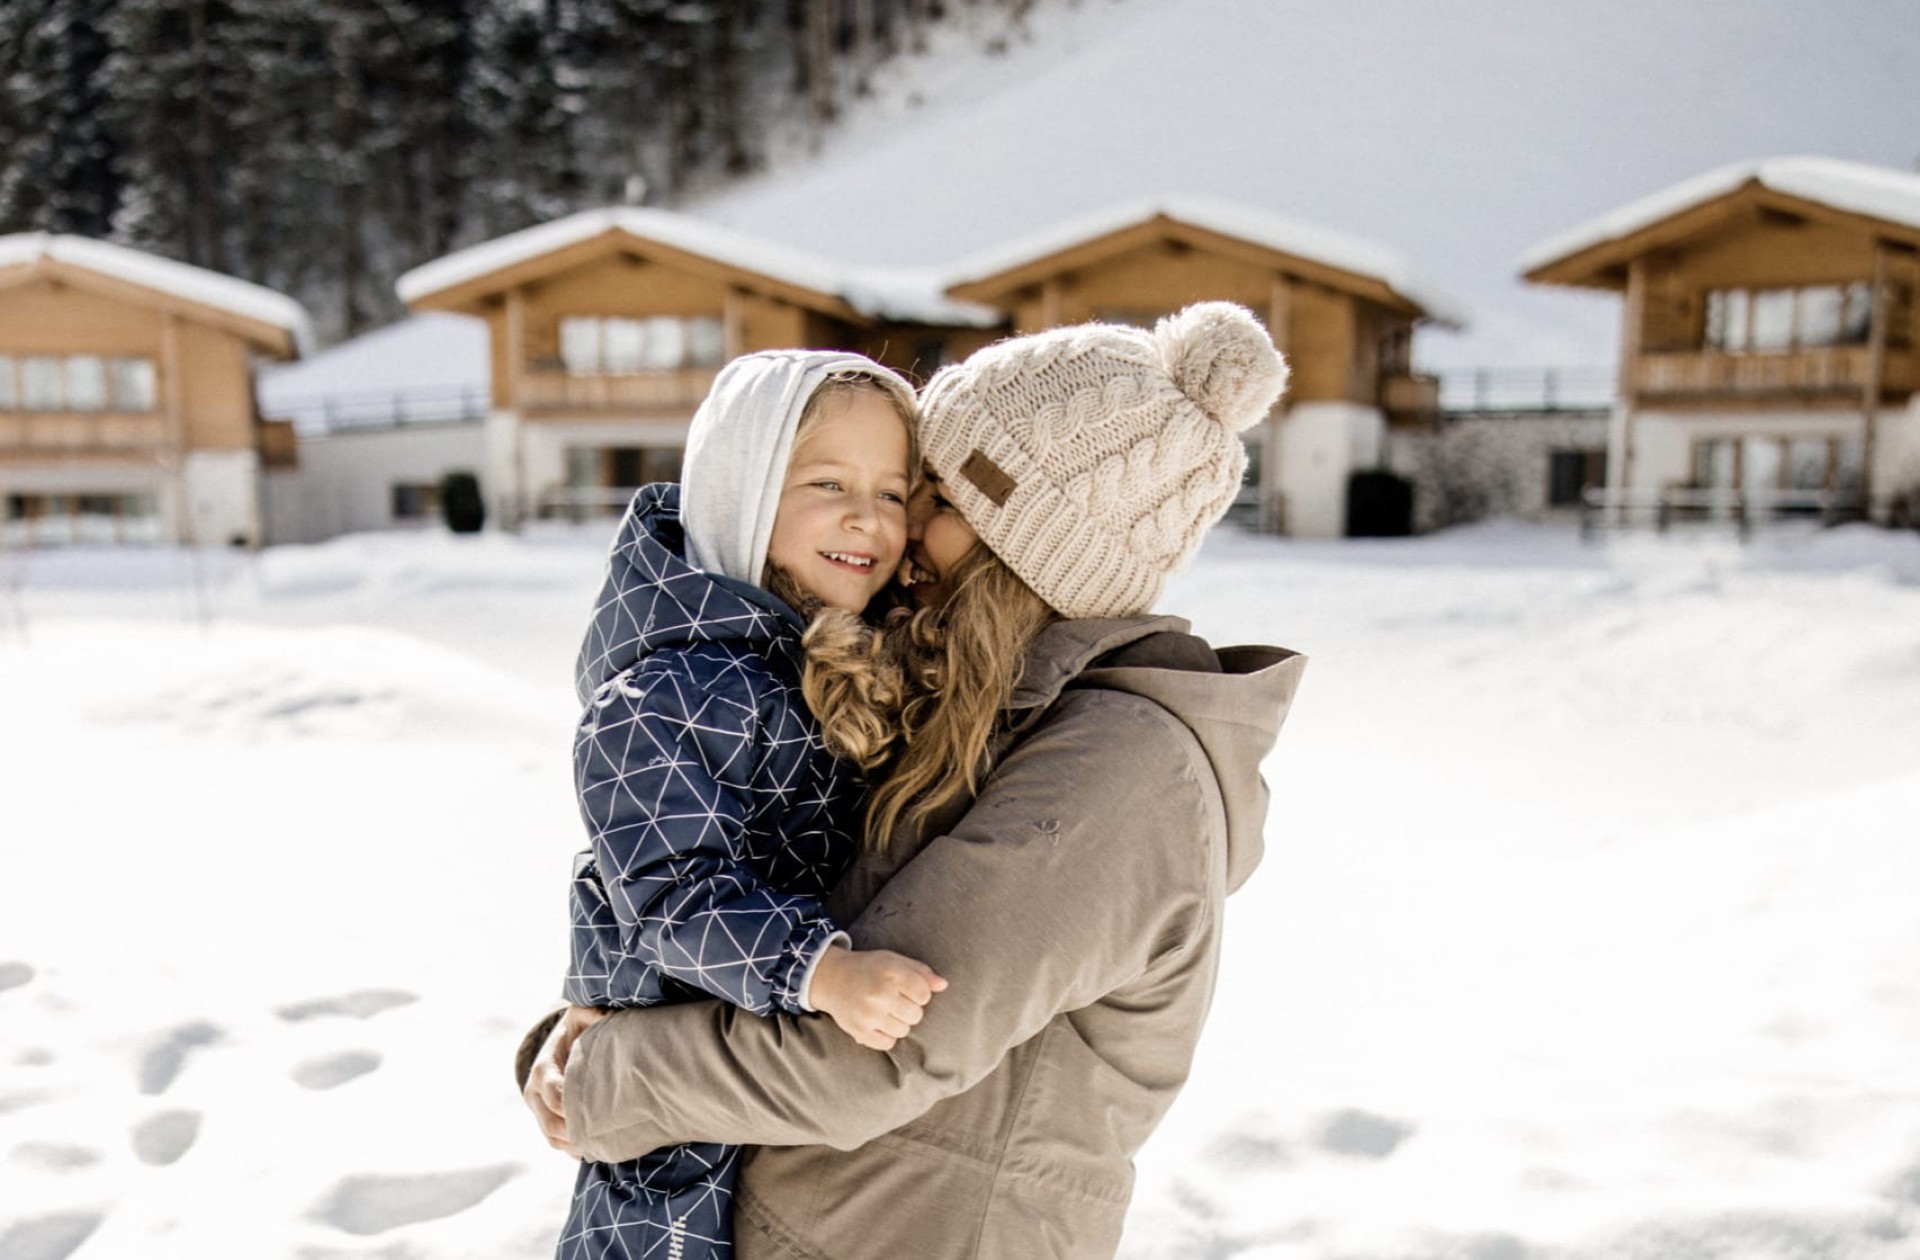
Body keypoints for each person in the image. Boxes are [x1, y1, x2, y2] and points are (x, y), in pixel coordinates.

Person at [526, 303, 1308, 1260]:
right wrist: (602, 1008)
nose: (895, 534)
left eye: (926, 498)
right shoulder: (973, 710)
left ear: (1009, 544)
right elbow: (744, 884)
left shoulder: (1116, 776)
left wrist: (602, 1077)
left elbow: (871, 1052)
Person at [553, 349, 949, 1260]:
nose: (867, 518)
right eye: (827, 482)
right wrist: (822, 969)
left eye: (893, 493)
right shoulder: (665, 691)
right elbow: (669, 894)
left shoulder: (840, 657)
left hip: (783, 1107)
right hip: (681, 1152)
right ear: (744, 489)